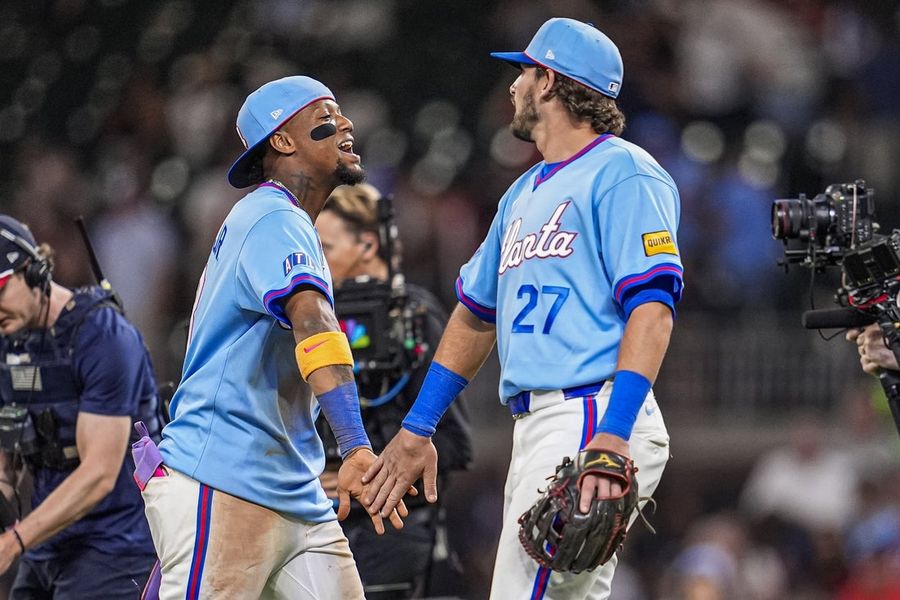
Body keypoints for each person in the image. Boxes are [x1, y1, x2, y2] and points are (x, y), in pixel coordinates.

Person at [363, 18, 683, 599]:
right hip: (542, 423)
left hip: (592, 411)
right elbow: (474, 315)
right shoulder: (521, 191)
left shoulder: (624, 171)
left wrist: (613, 435)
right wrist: (417, 427)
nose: (514, 85)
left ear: (551, 82)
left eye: (524, 72)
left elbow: (653, 308)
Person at [142, 75, 407, 599]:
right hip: (223, 478)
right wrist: (355, 445)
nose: (346, 123)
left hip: (293, 487)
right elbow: (314, 323)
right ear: (283, 141)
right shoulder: (272, 216)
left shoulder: (283, 220)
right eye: (325, 117)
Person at [316, 183, 473, 598]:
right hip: (325, 531)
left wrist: (372, 475)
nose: (316, 262)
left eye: (325, 248)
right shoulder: (313, 323)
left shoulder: (415, 316)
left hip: (397, 533)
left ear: (368, 245)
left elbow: (455, 443)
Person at [0, 215, 160, 598]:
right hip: (48, 541)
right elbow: (7, 454)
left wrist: (13, 542)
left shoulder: (103, 336)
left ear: (34, 271)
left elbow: (99, 474)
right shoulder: (10, 339)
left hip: (117, 543)